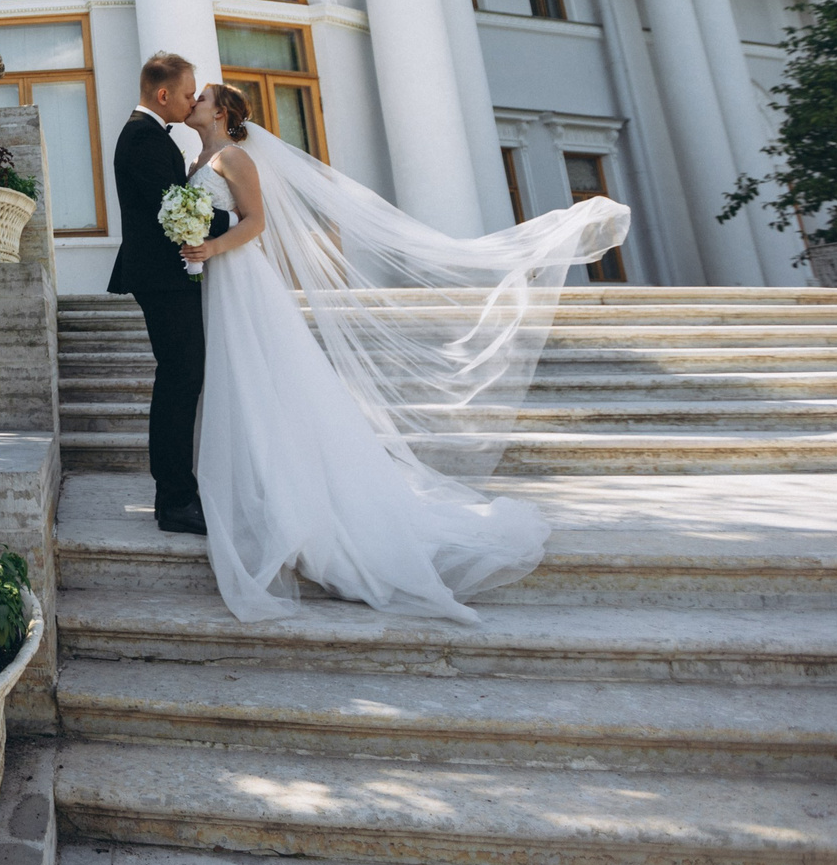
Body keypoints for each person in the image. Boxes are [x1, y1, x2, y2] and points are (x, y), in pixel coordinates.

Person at [174, 82, 629, 621]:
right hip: (212, 279)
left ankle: (292, 495)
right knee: (237, 378)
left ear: (221, 112)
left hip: (239, 277)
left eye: (201, 97)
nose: (192, 101)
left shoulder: (234, 157)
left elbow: (256, 222)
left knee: (259, 373)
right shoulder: (197, 159)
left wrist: (211, 246)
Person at [106, 52, 226, 536]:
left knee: (181, 378)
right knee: (180, 379)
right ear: (162, 95)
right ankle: (175, 499)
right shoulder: (143, 137)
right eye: (187, 93)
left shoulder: (151, 134)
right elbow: (175, 210)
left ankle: (174, 494)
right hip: (161, 277)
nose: (192, 101)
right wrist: (241, 222)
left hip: (166, 275)